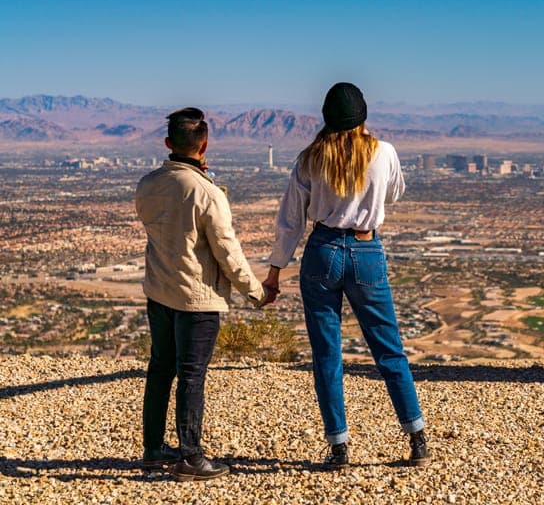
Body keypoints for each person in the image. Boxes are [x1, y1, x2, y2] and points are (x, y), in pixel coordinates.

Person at [263, 82, 429, 468]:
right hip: (367, 250)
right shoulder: (383, 152)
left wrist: (275, 273)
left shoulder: (310, 158)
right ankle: (416, 435)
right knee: (388, 347)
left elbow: (290, 221)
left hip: (322, 251)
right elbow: (394, 193)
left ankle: (338, 445)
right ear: (363, 116)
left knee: (327, 352)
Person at [135, 107, 275, 482]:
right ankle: (191, 456)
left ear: (168, 143)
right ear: (205, 145)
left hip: (159, 291)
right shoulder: (206, 192)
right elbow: (227, 252)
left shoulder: (147, 184)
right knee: (192, 375)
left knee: (161, 367)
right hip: (197, 298)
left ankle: (153, 448)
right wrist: (256, 291)